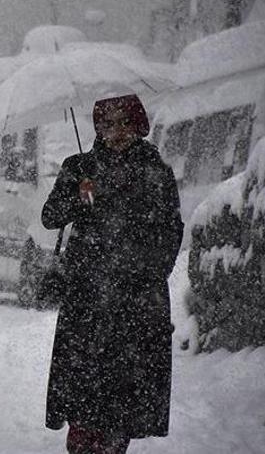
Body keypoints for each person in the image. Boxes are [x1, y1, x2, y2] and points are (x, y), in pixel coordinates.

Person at [41, 94, 184, 454]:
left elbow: (171, 229)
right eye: (108, 123)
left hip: (135, 298)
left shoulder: (155, 170)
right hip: (87, 296)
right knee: (82, 385)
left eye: (124, 123)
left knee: (125, 390)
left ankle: (112, 447)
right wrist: (78, 196)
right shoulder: (78, 167)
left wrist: (151, 272)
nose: (116, 131)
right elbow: (50, 216)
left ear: (138, 125)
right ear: (98, 128)